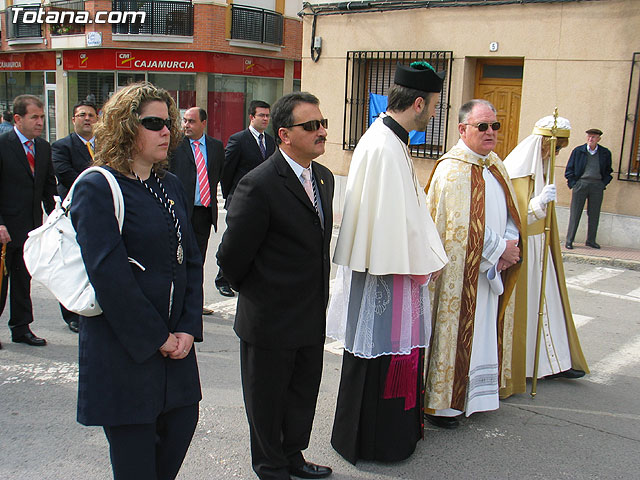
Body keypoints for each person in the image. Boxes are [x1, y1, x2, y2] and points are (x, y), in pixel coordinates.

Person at [70, 82, 203, 480]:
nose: (167, 131)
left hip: (176, 351)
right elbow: (110, 277)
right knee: (136, 466)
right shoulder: (96, 186)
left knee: (180, 429)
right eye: (153, 123)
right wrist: (156, 338)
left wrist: (186, 329)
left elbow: (191, 262)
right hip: (125, 352)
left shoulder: (170, 184)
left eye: (169, 123)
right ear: (126, 127)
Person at [327, 62, 448, 464]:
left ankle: (393, 436)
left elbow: (408, 216)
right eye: (432, 106)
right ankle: (373, 442)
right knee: (377, 357)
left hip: (394, 268)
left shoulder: (392, 140)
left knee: (387, 356)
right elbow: (393, 224)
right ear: (417, 103)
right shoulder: (383, 145)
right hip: (386, 273)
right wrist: (424, 258)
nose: (433, 113)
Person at [217, 92, 334, 480]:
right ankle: (271, 469)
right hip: (269, 320)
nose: (321, 132)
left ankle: (292, 457)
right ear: (284, 134)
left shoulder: (323, 178)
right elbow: (231, 258)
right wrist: (262, 293)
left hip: (309, 314)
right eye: (311, 126)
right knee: (267, 403)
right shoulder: (260, 184)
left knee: (301, 395)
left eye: (323, 123)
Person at [424, 99, 522, 429]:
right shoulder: (452, 170)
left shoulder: (495, 164)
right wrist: (499, 251)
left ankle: (476, 397)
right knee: (457, 335)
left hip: (489, 274)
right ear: (463, 129)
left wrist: (510, 243)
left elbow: (510, 212)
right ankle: (445, 405)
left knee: (482, 334)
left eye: (495, 126)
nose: (491, 132)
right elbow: (459, 228)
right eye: (483, 126)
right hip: (461, 274)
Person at [501, 116, 589, 397]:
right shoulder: (516, 169)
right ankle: (527, 365)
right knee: (528, 307)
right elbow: (512, 217)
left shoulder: (544, 167)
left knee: (549, 302)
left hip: (541, 248)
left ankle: (555, 362)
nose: (555, 154)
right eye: (554, 148)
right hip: (526, 247)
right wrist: (538, 204)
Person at [0, 95, 57, 347]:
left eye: (42, 117)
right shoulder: (3, 144)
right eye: (34, 117)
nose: (40, 122)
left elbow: (47, 187)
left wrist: (55, 219)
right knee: (1, 283)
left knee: (23, 280)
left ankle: (21, 328)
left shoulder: (43, 148)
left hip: (30, 228)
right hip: (4, 228)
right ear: (18, 118)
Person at [218, 100, 276, 297]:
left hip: (262, 201)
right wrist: (229, 195)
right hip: (239, 198)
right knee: (234, 239)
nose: (265, 119)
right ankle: (222, 279)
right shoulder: (238, 139)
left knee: (255, 240)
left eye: (268, 116)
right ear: (251, 117)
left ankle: (247, 276)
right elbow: (227, 171)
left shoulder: (270, 141)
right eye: (262, 115)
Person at [169, 106, 223, 314]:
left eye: (191, 121)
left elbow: (218, 174)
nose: (186, 125)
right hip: (181, 211)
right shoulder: (174, 146)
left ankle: (194, 303)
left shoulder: (216, 147)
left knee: (197, 260)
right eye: (185, 121)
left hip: (204, 213)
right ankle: (176, 302)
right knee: (177, 258)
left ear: (203, 123)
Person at [51, 100, 99, 333]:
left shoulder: (105, 146)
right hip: (74, 211)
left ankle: (93, 305)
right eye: (82, 115)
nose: (87, 118)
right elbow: (66, 175)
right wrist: (99, 183)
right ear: (73, 120)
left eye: (91, 115)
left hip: (100, 211)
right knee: (72, 263)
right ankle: (71, 313)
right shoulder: (62, 146)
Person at [564, 128, 613, 249]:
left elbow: (608, 171)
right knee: (575, 213)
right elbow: (569, 169)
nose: (591, 139)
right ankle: (569, 240)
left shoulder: (605, 153)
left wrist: (603, 184)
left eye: (594, 137)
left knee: (594, 214)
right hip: (581, 184)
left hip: (597, 185)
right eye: (589, 136)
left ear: (598, 139)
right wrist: (574, 184)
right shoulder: (578, 151)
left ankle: (591, 240)